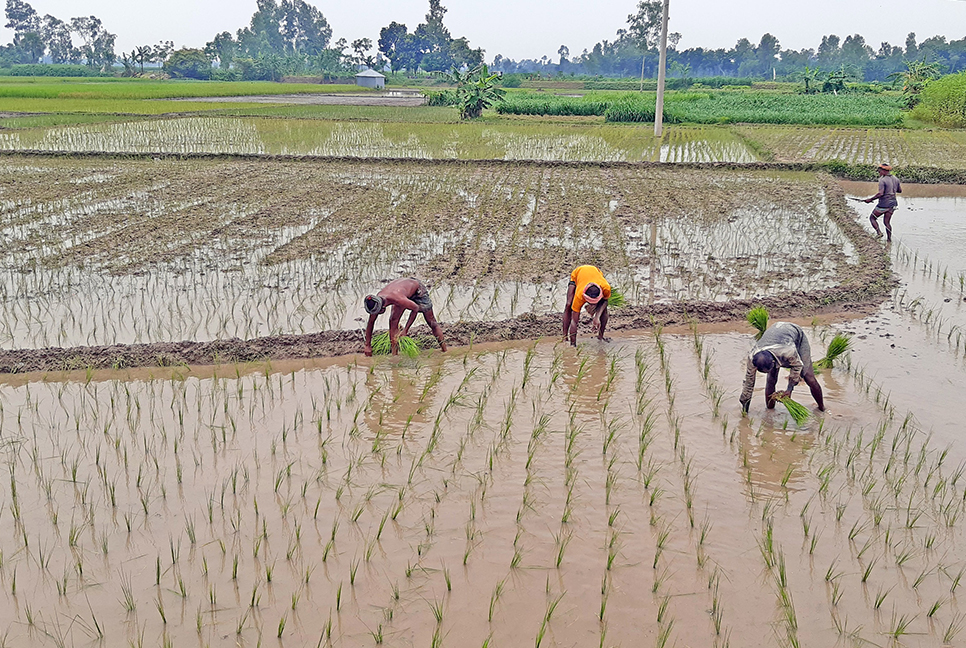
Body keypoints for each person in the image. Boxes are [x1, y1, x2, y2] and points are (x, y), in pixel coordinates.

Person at [739, 321, 825, 414]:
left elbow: (797, 366)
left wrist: (789, 389)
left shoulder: (788, 351)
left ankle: (822, 408)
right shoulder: (752, 358)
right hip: (774, 339)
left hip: (796, 336)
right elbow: (748, 384)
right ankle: (770, 411)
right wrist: (745, 409)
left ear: (773, 362)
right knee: (771, 379)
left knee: (809, 377)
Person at [363, 278, 447, 357]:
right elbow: (371, 322)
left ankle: (444, 351)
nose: (377, 314)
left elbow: (416, 309)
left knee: (431, 322)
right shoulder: (375, 301)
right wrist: (367, 345)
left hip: (417, 290)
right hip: (402, 290)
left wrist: (405, 330)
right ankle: (394, 355)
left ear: (382, 307)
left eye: (378, 312)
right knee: (393, 320)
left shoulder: (398, 299)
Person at [563, 265, 611, 346]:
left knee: (604, 310)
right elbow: (574, 321)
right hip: (578, 273)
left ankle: (600, 337)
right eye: (590, 303)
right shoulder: (579, 296)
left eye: (594, 303)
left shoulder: (605, 288)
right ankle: (564, 337)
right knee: (568, 304)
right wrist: (573, 345)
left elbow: (605, 301)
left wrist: (597, 317)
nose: (592, 305)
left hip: (595, 271)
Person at [863, 163, 902, 241]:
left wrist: (870, 199)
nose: (879, 173)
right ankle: (889, 240)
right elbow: (899, 190)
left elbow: (881, 193)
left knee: (872, 218)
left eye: (879, 171)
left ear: (884, 171)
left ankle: (879, 233)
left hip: (884, 204)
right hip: (892, 204)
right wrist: (892, 189)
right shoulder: (896, 179)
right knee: (887, 222)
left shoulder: (882, 180)